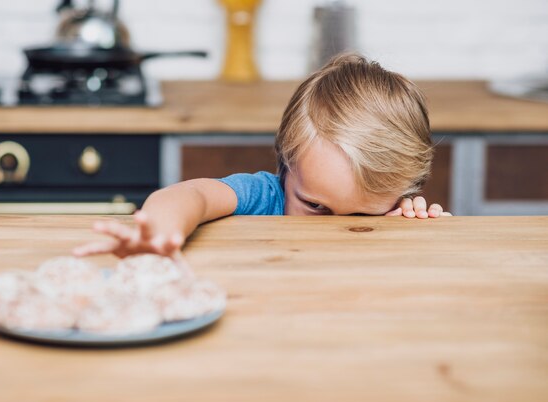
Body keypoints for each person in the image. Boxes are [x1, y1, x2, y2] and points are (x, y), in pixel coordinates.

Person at [73, 53, 451, 259]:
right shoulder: (265, 197)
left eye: (360, 217)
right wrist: (159, 231)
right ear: (286, 166)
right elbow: (190, 196)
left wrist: (412, 232)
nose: (332, 235)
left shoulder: (396, 212)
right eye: (315, 207)